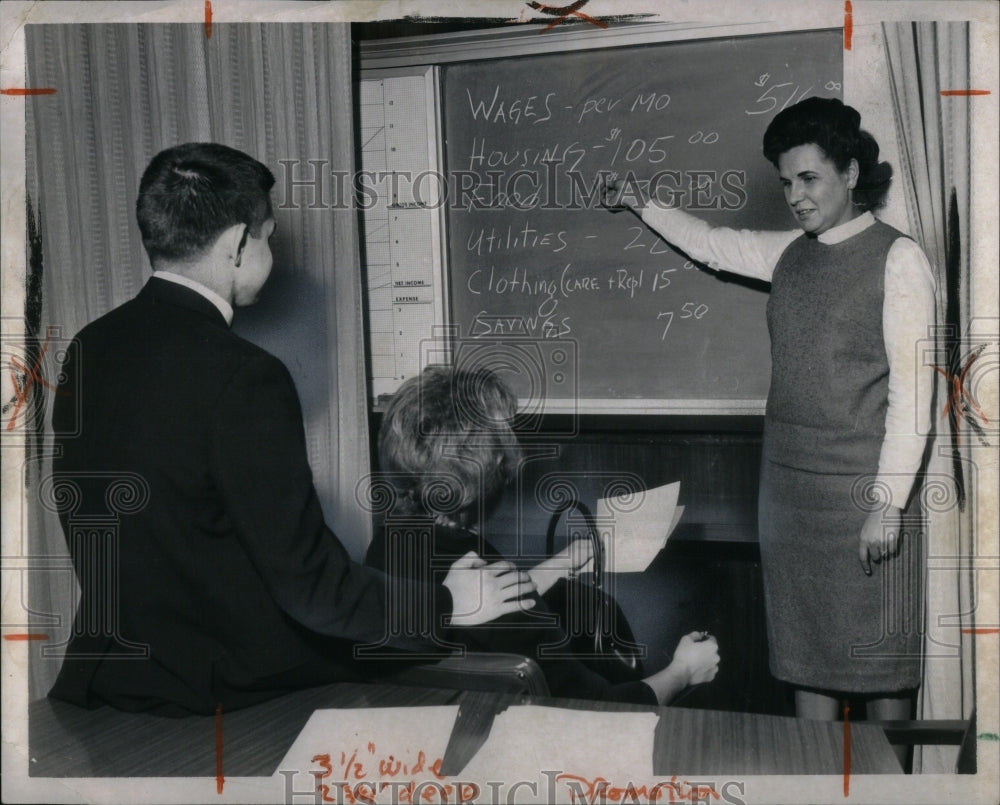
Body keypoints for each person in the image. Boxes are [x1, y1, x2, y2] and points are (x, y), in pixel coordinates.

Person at [49, 143, 536, 716]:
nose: (271, 253)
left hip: (105, 678)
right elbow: (310, 588)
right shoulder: (245, 377)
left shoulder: (91, 346)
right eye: (268, 237)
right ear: (236, 244)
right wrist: (448, 603)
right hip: (225, 695)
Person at [606, 97, 934, 746]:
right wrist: (640, 200)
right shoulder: (789, 252)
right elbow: (712, 245)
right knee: (805, 662)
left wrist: (887, 504)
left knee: (881, 674)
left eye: (809, 178)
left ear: (849, 172)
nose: (796, 196)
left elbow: (913, 396)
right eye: (786, 182)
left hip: (862, 495)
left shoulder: (899, 260)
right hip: (788, 497)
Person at [366, 364, 720, 705]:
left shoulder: (386, 547)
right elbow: (602, 707)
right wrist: (685, 670)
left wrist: (561, 562)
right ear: (492, 469)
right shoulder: (488, 575)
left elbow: (480, 622)